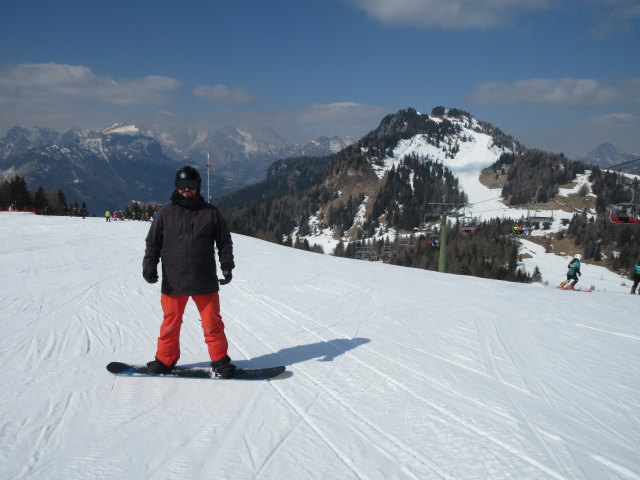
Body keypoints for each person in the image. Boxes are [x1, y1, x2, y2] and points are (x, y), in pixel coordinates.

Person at [142, 166, 236, 378]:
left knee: (212, 323)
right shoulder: (166, 213)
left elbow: (224, 242)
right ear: (176, 187)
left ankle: (220, 361)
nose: (186, 189)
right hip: (174, 281)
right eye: (182, 185)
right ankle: (165, 360)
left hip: (204, 279)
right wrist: (149, 266)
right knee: (170, 323)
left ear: (198, 187)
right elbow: (152, 244)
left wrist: (227, 265)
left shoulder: (211, 213)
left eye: (191, 185)